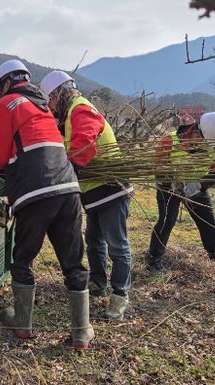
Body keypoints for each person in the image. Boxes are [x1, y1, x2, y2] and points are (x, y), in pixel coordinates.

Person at [0, 60, 94, 350]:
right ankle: (81, 332)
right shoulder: (44, 107)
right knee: (73, 262)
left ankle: (22, 323)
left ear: (4, 83)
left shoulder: (8, 103)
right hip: (68, 190)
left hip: (35, 193)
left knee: (23, 259)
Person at [40, 70, 133, 321]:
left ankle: (120, 295)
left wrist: (65, 171)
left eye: (50, 101)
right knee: (94, 241)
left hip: (110, 190)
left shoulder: (80, 109)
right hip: (94, 194)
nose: (51, 107)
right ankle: (98, 283)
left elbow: (83, 144)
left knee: (117, 245)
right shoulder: (69, 115)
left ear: (58, 94)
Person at [147, 112, 215, 272]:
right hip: (170, 187)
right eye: (204, 141)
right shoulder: (170, 141)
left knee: (207, 220)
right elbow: (157, 166)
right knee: (167, 220)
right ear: (197, 131)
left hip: (196, 185)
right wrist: (170, 183)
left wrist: (199, 185)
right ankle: (154, 259)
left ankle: (214, 254)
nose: (207, 145)